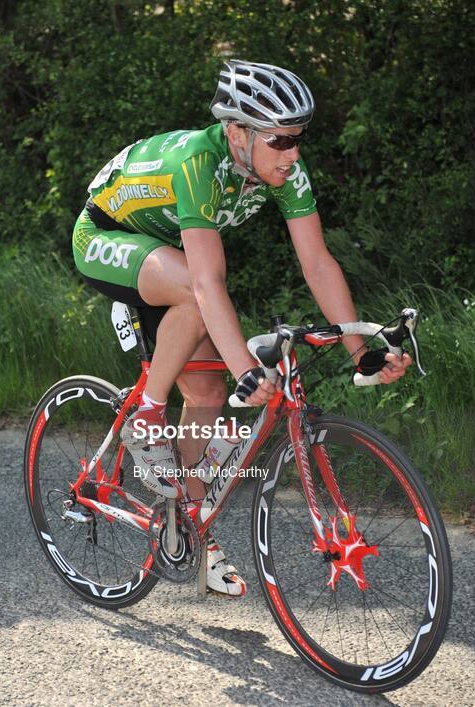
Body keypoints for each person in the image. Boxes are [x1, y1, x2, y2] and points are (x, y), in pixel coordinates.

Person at [72, 60, 412, 596]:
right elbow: (208, 283)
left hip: (169, 257)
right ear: (237, 133)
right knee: (196, 290)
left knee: (207, 395)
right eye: (280, 140)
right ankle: (145, 413)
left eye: (298, 139)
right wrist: (247, 371)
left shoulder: (282, 168)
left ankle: (182, 525)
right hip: (105, 236)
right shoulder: (197, 162)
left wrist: (358, 352)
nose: (294, 153)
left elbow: (318, 263)